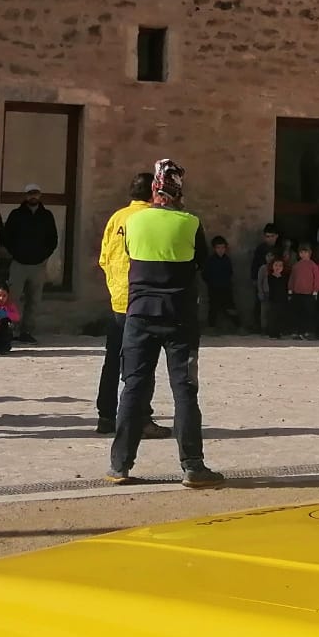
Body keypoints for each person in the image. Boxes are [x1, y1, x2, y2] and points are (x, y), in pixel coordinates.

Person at [106, 159, 222, 489]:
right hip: (179, 316)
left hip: (139, 314)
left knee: (134, 386)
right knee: (184, 390)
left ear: (154, 191)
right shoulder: (191, 223)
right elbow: (202, 263)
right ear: (179, 193)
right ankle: (192, 465)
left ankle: (120, 465)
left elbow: (128, 253)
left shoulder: (133, 221)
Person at [96, 173, 168, 439]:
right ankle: (141, 418)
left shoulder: (117, 218)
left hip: (119, 299)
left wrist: (115, 286)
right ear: (153, 192)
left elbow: (104, 258)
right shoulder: (151, 218)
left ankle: (106, 415)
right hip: (142, 299)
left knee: (113, 359)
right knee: (142, 363)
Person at [0, 185, 59, 343]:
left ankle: (26, 331)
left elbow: (53, 239)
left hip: (38, 265)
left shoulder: (46, 216)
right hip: (19, 264)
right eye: (30, 193)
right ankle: (9, 329)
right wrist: (15, 253)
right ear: (25, 196)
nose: (33, 196)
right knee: (12, 299)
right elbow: (7, 236)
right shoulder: (16, 215)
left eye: (36, 193)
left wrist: (44, 256)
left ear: (40, 195)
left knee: (34, 300)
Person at [248, 223, 284, 332]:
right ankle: (259, 327)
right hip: (263, 281)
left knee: (275, 306)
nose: (270, 239)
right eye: (267, 236)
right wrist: (255, 279)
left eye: (272, 236)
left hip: (276, 283)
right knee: (260, 305)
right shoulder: (261, 249)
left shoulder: (280, 249)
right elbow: (255, 264)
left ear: (276, 236)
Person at [287, 241, 319, 340]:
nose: (303, 254)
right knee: (298, 313)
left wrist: (315, 291)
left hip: (309, 294)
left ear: (310, 253)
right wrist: (290, 290)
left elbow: (317, 279)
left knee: (309, 313)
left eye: (305, 252)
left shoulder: (313, 265)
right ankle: (298, 332)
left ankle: (308, 332)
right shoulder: (296, 266)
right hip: (297, 293)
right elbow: (292, 278)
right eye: (301, 252)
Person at [204, 236, 237, 331]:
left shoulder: (227, 260)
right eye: (218, 247)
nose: (221, 250)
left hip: (226, 288)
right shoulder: (210, 261)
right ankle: (211, 327)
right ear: (214, 248)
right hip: (213, 288)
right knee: (213, 308)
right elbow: (205, 274)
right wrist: (211, 283)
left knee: (230, 307)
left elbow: (230, 272)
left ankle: (238, 326)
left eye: (223, 247)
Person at [259, 253, 290, 338]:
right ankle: (272, 333)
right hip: (273, 299)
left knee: (281, 315)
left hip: (282, 299)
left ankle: (280, 332)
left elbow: (286, 288)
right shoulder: (270, 277)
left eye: (280, 266)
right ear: (272, 266)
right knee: (272, 316)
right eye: (276, 265)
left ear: (283, 267)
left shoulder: (285, 277)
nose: (277, 267)